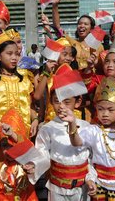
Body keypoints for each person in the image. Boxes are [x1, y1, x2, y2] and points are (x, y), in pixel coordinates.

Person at [63, 76, 115, 201]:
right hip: (101, 187)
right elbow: (76, 142)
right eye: (100, 109)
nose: (105, 114)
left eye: (110, 110)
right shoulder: (94, 131)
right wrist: (72, 123)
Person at [33, 64, 92, 200]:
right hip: (57, 187)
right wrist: (34, 165)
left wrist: (91, 178)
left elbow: (91, 158)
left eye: (67, 102)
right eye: (56, 101)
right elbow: (42, 155)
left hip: (81, 187)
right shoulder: (47, 128)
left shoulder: (86, 127)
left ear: (77, 102)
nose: (61, 107)